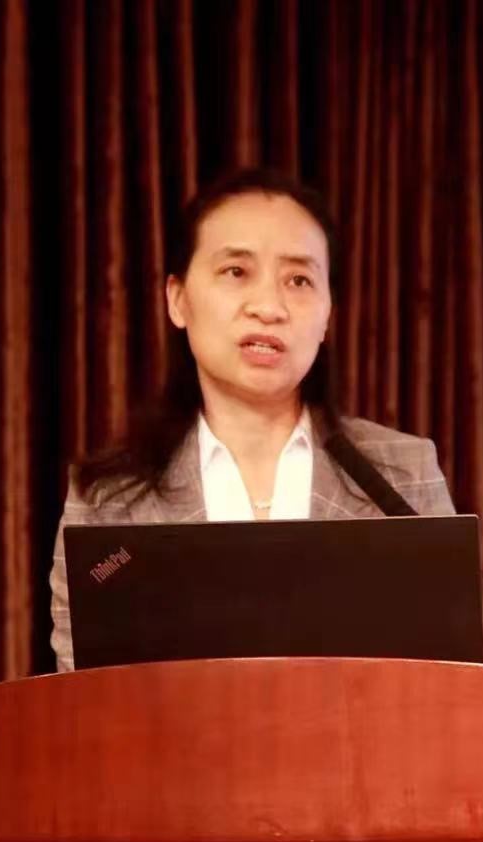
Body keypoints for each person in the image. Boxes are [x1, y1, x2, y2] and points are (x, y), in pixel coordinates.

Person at [49, 169, 455, 672]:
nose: (268, 307)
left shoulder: (404, 475)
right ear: (178, 299)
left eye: (299, 280)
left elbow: (451, 687)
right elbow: (83, 697)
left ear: (328, 314)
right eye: (236, 271)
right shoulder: (106, 500)